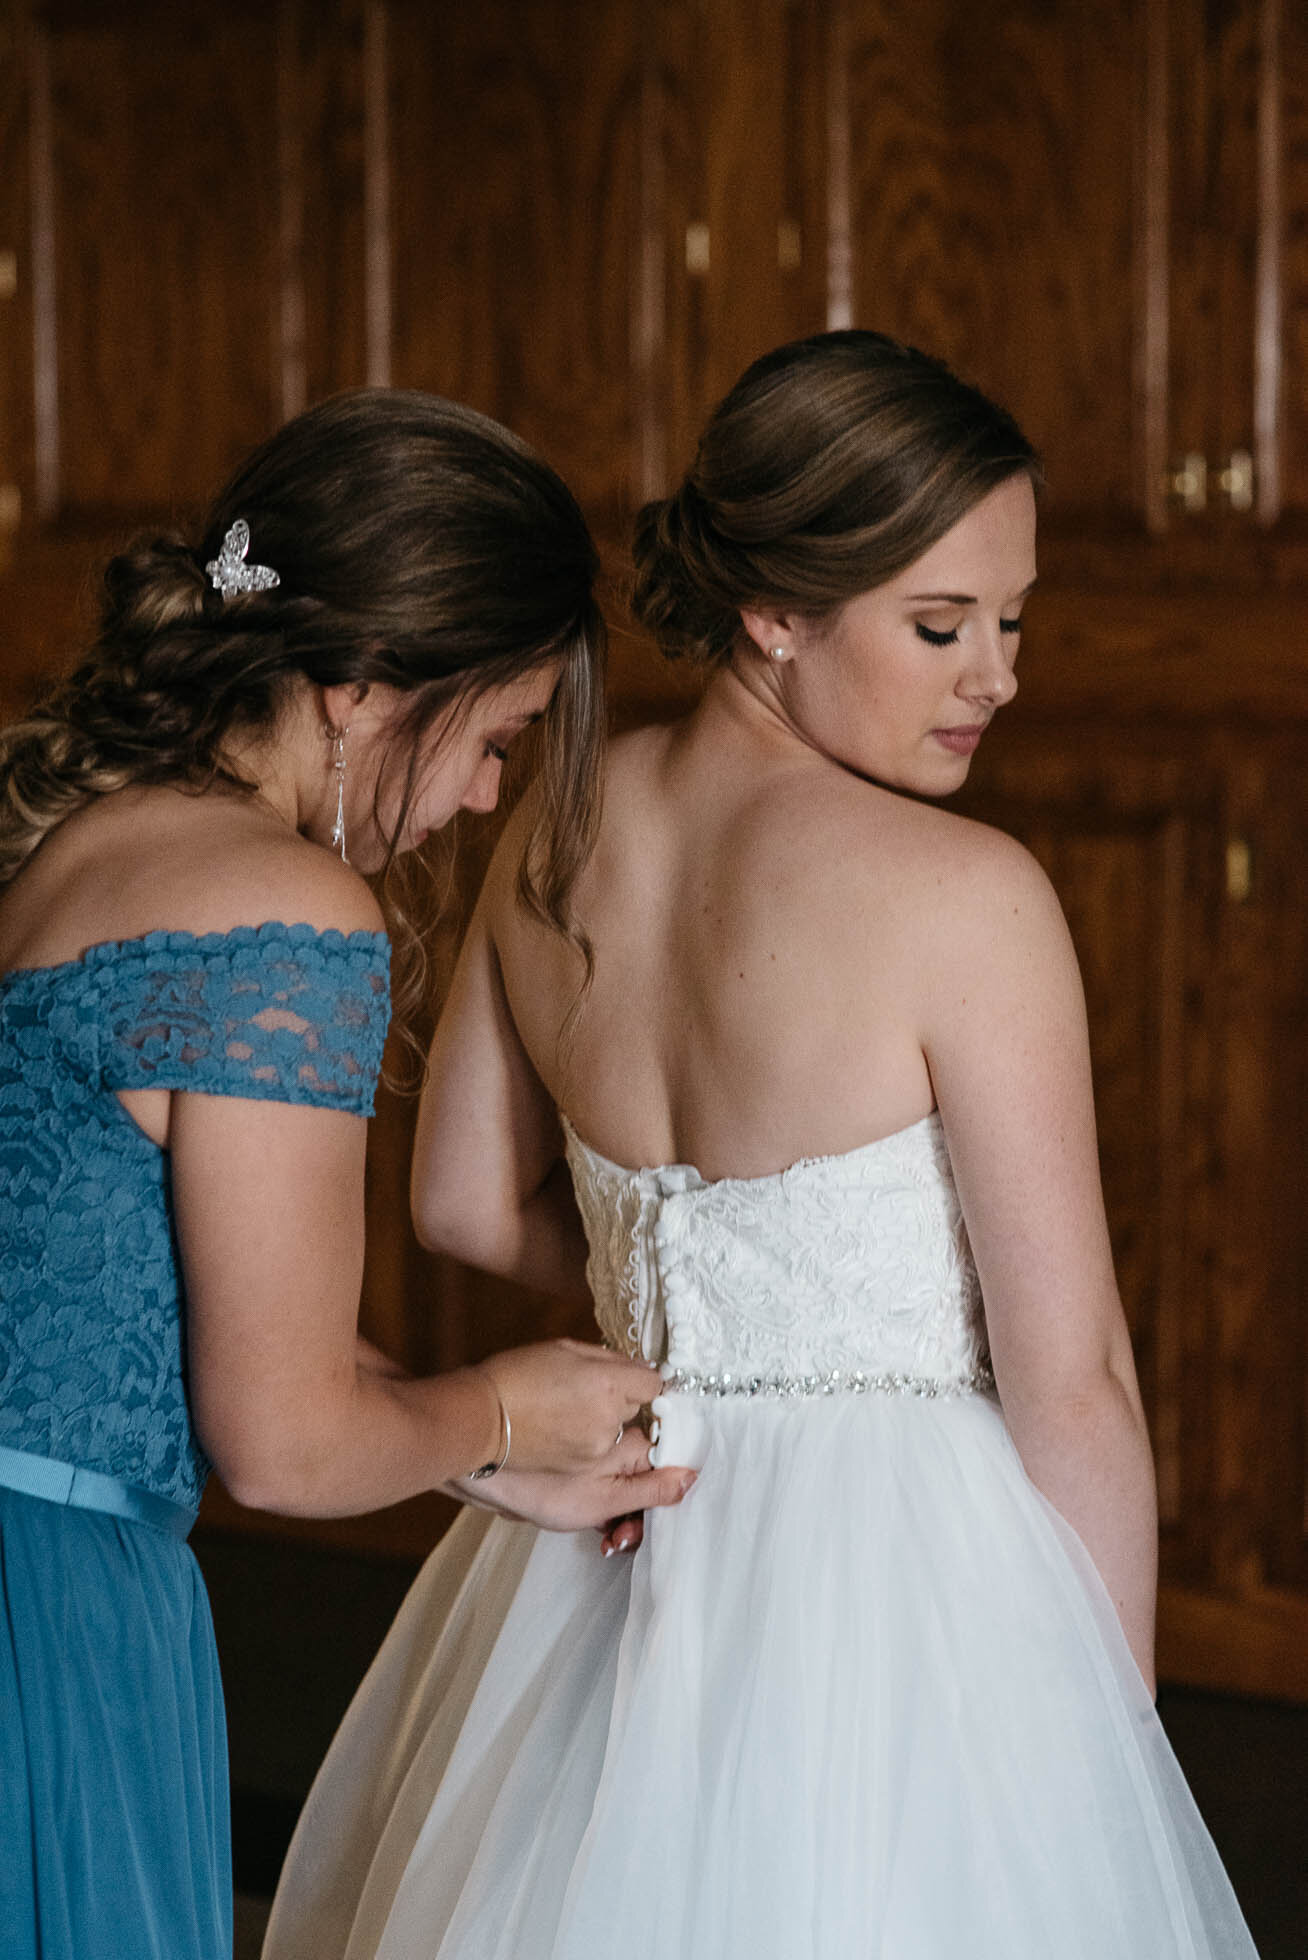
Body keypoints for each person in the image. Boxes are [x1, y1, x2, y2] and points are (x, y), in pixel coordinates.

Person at [263, 335, 1259, 1958]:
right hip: (907, 1576)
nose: (996, 674)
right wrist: (1107, 1734)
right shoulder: (969, 898)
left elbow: (453, 1206)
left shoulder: (552, 826)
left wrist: (693, 1316)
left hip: (627, 1503)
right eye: (939, 626)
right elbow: (1070, 1374)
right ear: (774, 611)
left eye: (1015, 620)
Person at [0, 388, 695, 1960]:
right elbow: (287, 1443)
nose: (484, 798)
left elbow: (131, 1324)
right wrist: (513, 1400)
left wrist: (467, 1459)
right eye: (497, 736)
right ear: (373, 683)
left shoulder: (84, 840)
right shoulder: (286, 913)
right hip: (49, 1625)